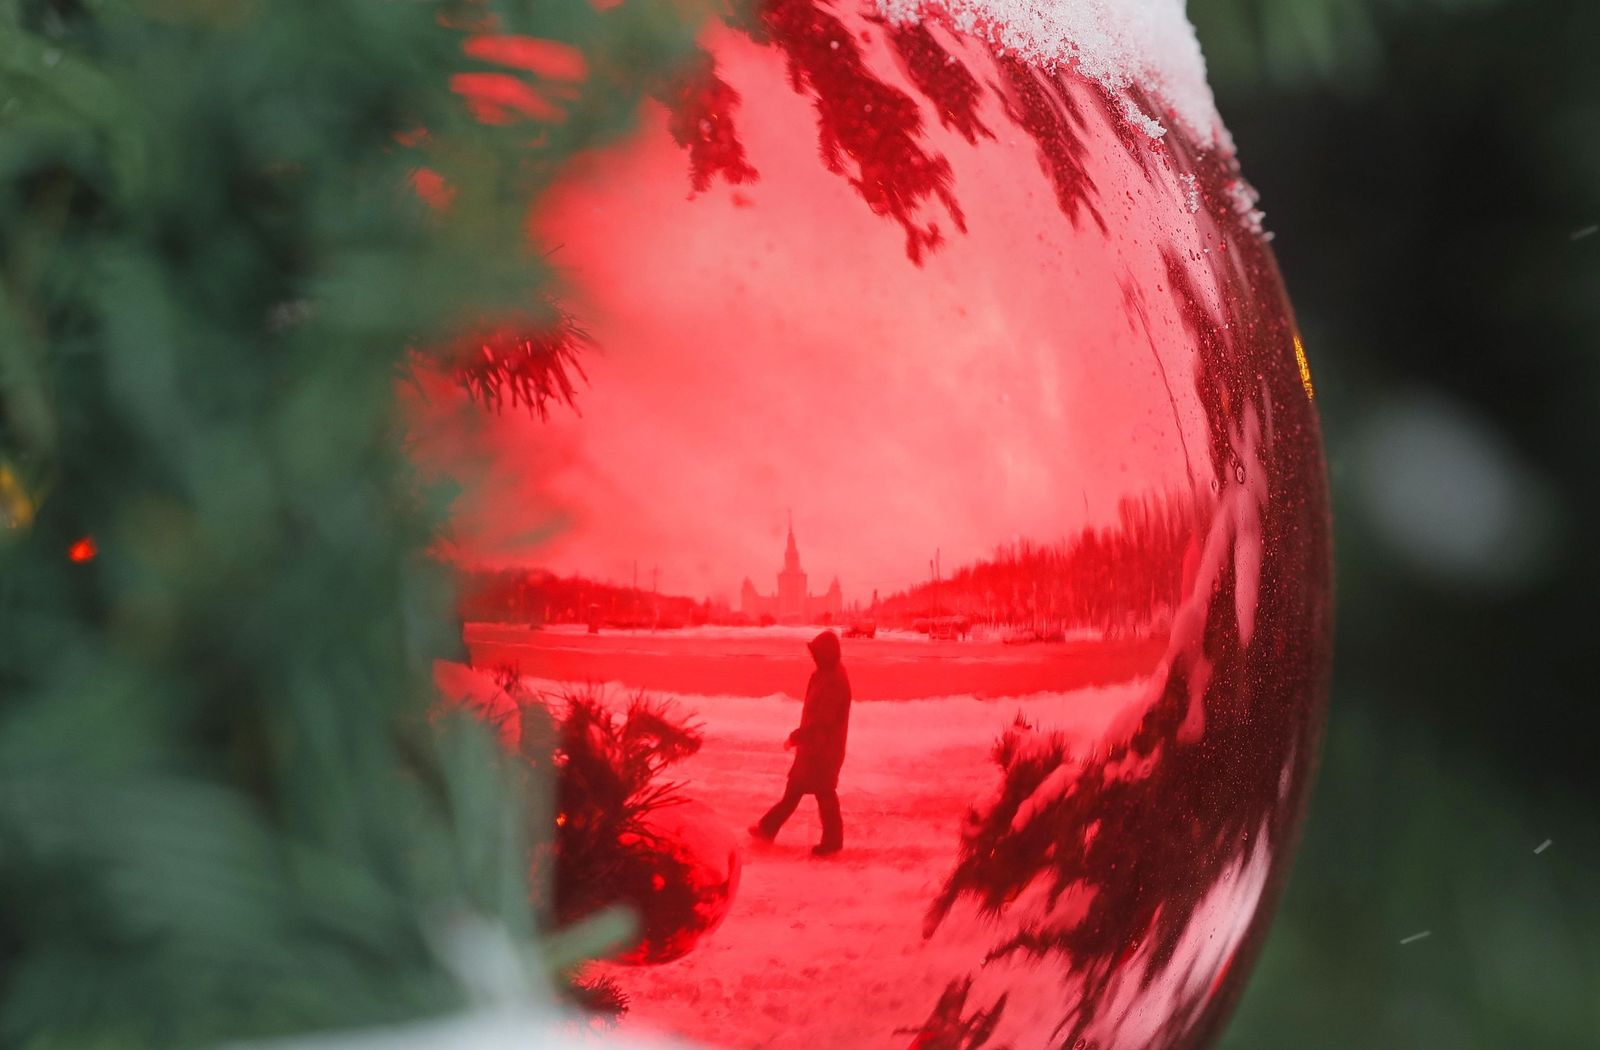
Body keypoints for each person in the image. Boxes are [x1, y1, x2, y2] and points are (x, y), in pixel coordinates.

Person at [750, 630, 852, 856]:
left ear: (826, 655)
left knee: (824, 793)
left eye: (817, 653)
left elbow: (822, 722)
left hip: (823, 750)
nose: (813, 657)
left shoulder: (834, 681)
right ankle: (768, 828)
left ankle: (832, 841)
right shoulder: (823, 674)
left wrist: (797, 737)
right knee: (796, 789)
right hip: (813, 747)